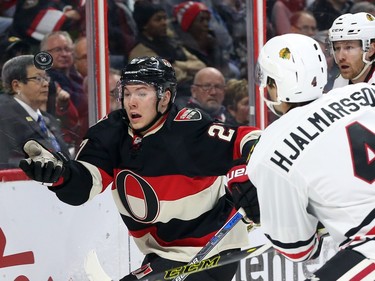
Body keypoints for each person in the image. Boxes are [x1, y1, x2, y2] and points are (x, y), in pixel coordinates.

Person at [18, 56, 262, 281]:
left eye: (142, 93)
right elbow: (84, 186)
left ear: (165, 97)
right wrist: (60, 175)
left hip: (211, 248)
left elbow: (252, 140)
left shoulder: (190, 130)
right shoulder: (110, 133)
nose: (131, 101)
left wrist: (248, 178)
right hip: (162, 252)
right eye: (127, 93)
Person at [227, 33, 375, 280]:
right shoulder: (365, 92)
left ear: (274, 85)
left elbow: (300, 251)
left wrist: (272, 212)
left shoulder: (270, 148)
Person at [0, 55, 69, 168]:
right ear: (17, 86)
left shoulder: (49, 120)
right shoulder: (4, 116)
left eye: (46, 78)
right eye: (38, 78)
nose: (46, 84)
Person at [129, 0, 206, 97]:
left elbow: (200, 66)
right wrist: (188, 71)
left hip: (188, 90)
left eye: (165, 18)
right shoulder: (140, 50)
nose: (164, 23)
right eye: (158, 19)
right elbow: (170, 76)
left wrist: (176, 64)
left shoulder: (171, 43)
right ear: (144, 25)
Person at [328, 12, 375, 88]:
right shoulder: (339, 82)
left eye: (349, 47)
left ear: (370, 50)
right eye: (337, 48)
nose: (340, 57)